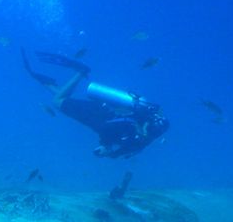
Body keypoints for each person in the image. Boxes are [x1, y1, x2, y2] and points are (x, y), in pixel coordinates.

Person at [22, 49, 169, 158]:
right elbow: (107, 127)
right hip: (95, 114)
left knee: (63, 100)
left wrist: (112, 152)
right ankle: (81, 72)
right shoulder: (136, 133)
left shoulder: (141, 137)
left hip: (98, 113)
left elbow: (123, 148)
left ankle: (47, 83)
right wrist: (105, 145)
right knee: (57, 101)